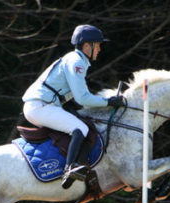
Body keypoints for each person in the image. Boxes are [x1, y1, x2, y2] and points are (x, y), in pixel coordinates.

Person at [22, 24, 125, 189]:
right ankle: (70, 168)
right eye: (97, 45)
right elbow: (83, 98)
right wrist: (109, 102)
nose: (99, 49)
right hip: (40, 106)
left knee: (81, 124)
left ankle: (78, 165)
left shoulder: (75, 60)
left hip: (44, 105)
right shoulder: (77, 62)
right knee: (81, 129)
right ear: (86, 46)